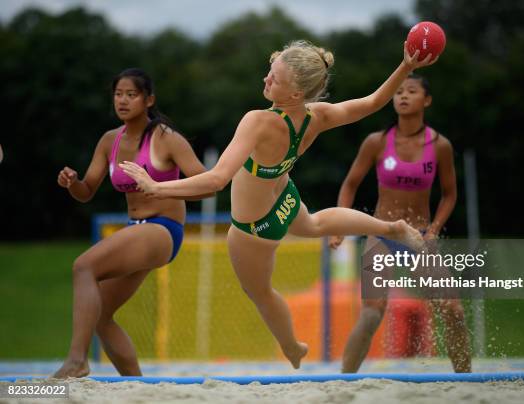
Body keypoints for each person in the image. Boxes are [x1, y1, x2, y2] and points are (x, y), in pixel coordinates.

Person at [120, 40, 435, 369]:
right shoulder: (317, 116)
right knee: (312, 225)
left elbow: (216, 180)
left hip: (254, 228)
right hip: (285, 198)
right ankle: (390, 228)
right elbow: (372, 103)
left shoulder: (258, 121)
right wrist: (405, 67)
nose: (266, 80)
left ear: (296, 93)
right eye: (270, 72)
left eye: (275, 78)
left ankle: (292, 347)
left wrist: (157, 187)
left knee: (261, 293)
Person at [53, 68, 213, 378]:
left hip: (164, 229)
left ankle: (76, 360)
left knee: (83, 266)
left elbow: (209, 184)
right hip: (137, 230)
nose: (123, 101)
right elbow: (86, 192)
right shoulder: (109, 140)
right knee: (100, 316)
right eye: (118, 94)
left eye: (131, 94)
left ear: (148, 99)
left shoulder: (166, 138)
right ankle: (136, 387)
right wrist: (72, 182)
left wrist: (161, 188)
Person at [328, 74, 471, 373]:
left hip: (418, 236)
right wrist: (340, 224)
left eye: (411, 91)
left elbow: (449, 195)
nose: (403, 96)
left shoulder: (440, 145)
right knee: (370, 315)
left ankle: (465, 380)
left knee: (453, 310)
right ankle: (343, 383)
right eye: (398, 92)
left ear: (427, 100)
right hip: (381, 233)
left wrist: (433, 231)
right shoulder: (376, 142)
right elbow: (350, 184)